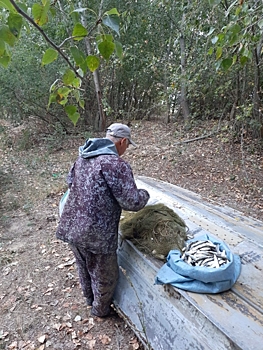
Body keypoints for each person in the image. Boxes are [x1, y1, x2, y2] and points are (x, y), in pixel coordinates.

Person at [56, 123, 150, 317]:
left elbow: (70, 183)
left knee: (83, 266)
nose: (126, 149)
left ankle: (89, 300)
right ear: (123, 141)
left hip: (72, 226)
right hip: (97, 235)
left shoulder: (83, 157)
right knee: (105, 276)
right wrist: (145, 195)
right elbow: (131, 202)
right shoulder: (116, 164)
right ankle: (100, 311)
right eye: (128, 145)